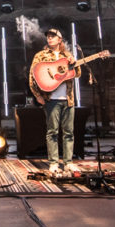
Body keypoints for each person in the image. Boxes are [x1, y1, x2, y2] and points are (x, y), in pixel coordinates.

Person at [29, 28, 80, 175]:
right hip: (51, 99)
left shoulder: (67, 55)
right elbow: (33, 76)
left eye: (53, 36)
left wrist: (75, 63)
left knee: (69, 132)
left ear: (60, 39)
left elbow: (78, 73)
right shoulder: (41, 55)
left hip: (68, 99)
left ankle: (68, 162)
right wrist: (37, 95)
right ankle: (53, 162)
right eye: (48, 36)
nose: (50, 38)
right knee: (52, 132)